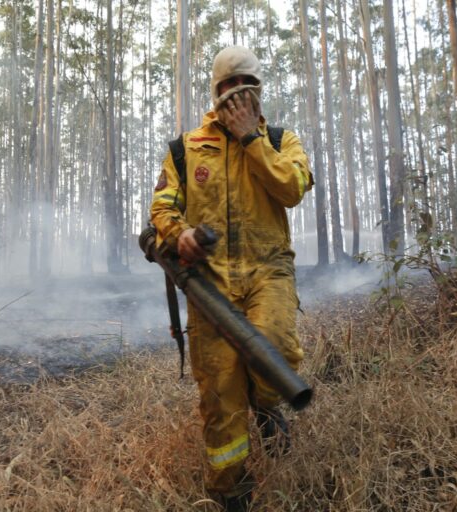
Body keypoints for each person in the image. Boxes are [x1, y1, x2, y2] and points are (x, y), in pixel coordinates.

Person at [150, 45, 313, 511]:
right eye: (229, 88)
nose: (238, 97)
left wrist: (250, 140)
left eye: (248, 87)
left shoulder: (281, 141)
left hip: (269, 270)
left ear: (259, 92)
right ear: (216, 92)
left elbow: (292, 189)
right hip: (211, 285)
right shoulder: (185, 149)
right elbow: (162, 207)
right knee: (221, 392)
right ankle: (230, 491)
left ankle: (265, 406)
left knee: (274, 351)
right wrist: (179, 236)